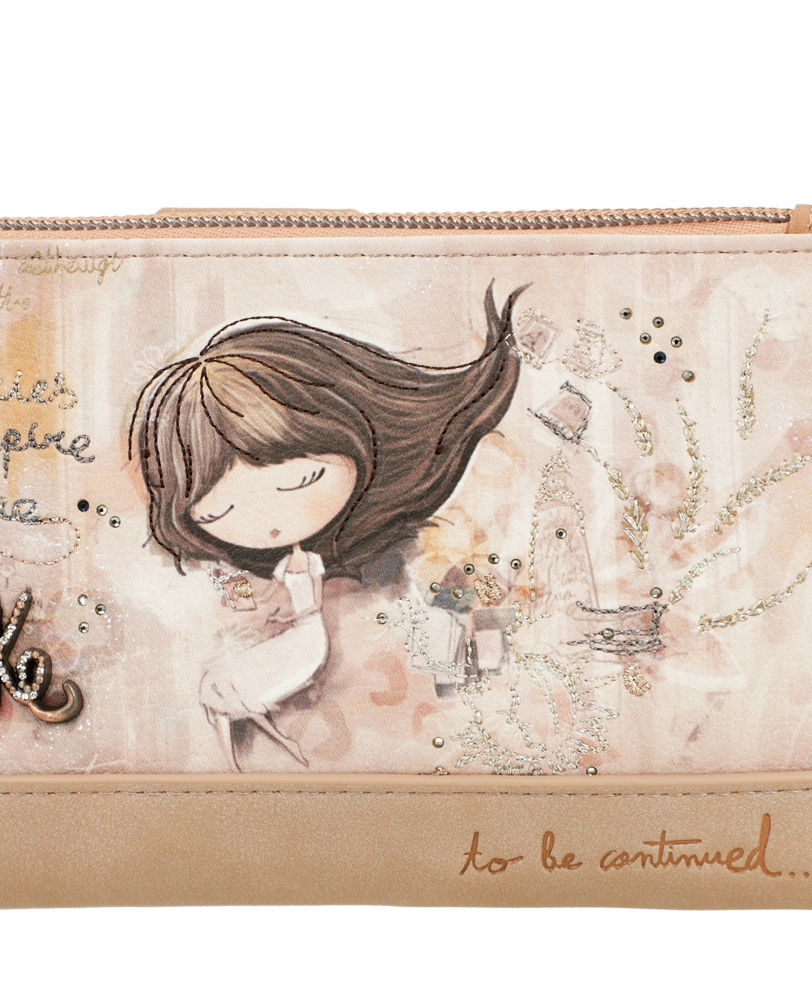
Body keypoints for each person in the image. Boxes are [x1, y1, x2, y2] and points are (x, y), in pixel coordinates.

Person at [130, 283, 524, 769]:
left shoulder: (402, 565)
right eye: (217, 513)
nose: (271, 525)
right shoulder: (249, 581)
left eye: (303, 479)